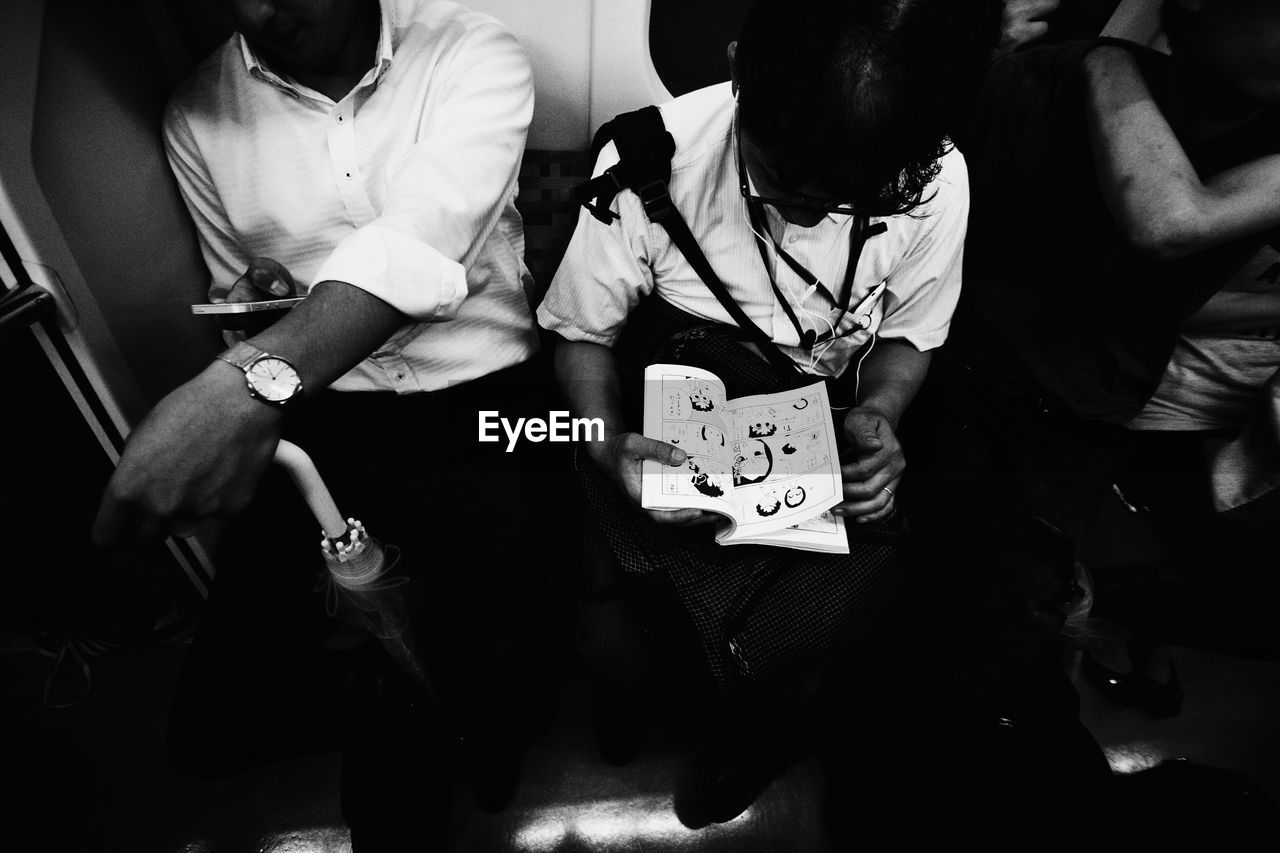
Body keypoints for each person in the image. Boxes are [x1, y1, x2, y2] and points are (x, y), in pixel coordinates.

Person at [91, 0, 552, 846]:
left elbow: (426, 234)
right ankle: (400, 698)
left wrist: (247, 383)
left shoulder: (470, 50)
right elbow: (249, 300)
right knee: (209, 724)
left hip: (493, 401)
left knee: (503, 664)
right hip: (333, 408)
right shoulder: (198, 113)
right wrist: (257, 306)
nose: (267, 6)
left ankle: (467, 717)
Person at [538, 0, 1002, 825]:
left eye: (848, 199)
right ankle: (635, 705)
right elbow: (579, 336)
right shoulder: (646, 161)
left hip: (812, 430)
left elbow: (908, 335)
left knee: (806, 631)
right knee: (615, 641)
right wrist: (607, 443)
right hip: (657, 420)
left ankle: (761, 726)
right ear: (739, 67)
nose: (809, 217)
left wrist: (883, 413)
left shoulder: (934, 175)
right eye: (783, 182)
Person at [908, 0, 1280, 713]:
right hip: (946, 348)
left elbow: (1169, 217)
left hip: (1075, 408)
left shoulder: (1090, 70)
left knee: (1004, 625)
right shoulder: (1036, 80)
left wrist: (1102, 58)